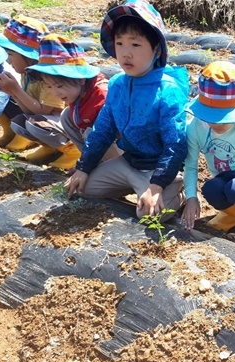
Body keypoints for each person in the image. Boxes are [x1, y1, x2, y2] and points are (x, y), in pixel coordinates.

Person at [65, 0, 189, 221]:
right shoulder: (118, 84)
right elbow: (103, 130)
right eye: (119, 43)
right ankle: (134, 184)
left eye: (135, 45)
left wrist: (157, 185)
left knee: (149, 216)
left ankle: (178, 189)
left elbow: (175, 144)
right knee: (83, 189)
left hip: (157, 169)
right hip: (129, 162)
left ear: (157, 49)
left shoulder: (167, 90)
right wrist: (83, 167)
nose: (125, 53)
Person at [182, 60, 235, 245]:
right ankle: (233, 215)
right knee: (211, 189)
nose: (219, 124)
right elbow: (190, 166)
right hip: (222, 176)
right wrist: (191, 197)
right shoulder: (196, 128)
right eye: (213, 118)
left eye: (226, 118)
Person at [24, 34, 121, 169]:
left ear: (81, 79)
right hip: (98, 143)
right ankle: (92, 161)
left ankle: (112, 168)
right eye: (49, 86)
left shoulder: (102, 96)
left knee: (91, 132)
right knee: (67, 115)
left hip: (123, 148)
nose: (55, 93)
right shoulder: (79, 93)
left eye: (59, 86)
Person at [0, 15, 70, 165]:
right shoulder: (26, 74)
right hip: (51, 123)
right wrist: (12, 92)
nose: (8, 61)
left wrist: (16, 90)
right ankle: (50, 147)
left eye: (11, 55)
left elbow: (43, 112)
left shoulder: (49, 78)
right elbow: (28, 111)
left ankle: (72, 151)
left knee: (36, 124)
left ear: (29, 56)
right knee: (19, 123)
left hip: (69, 125)